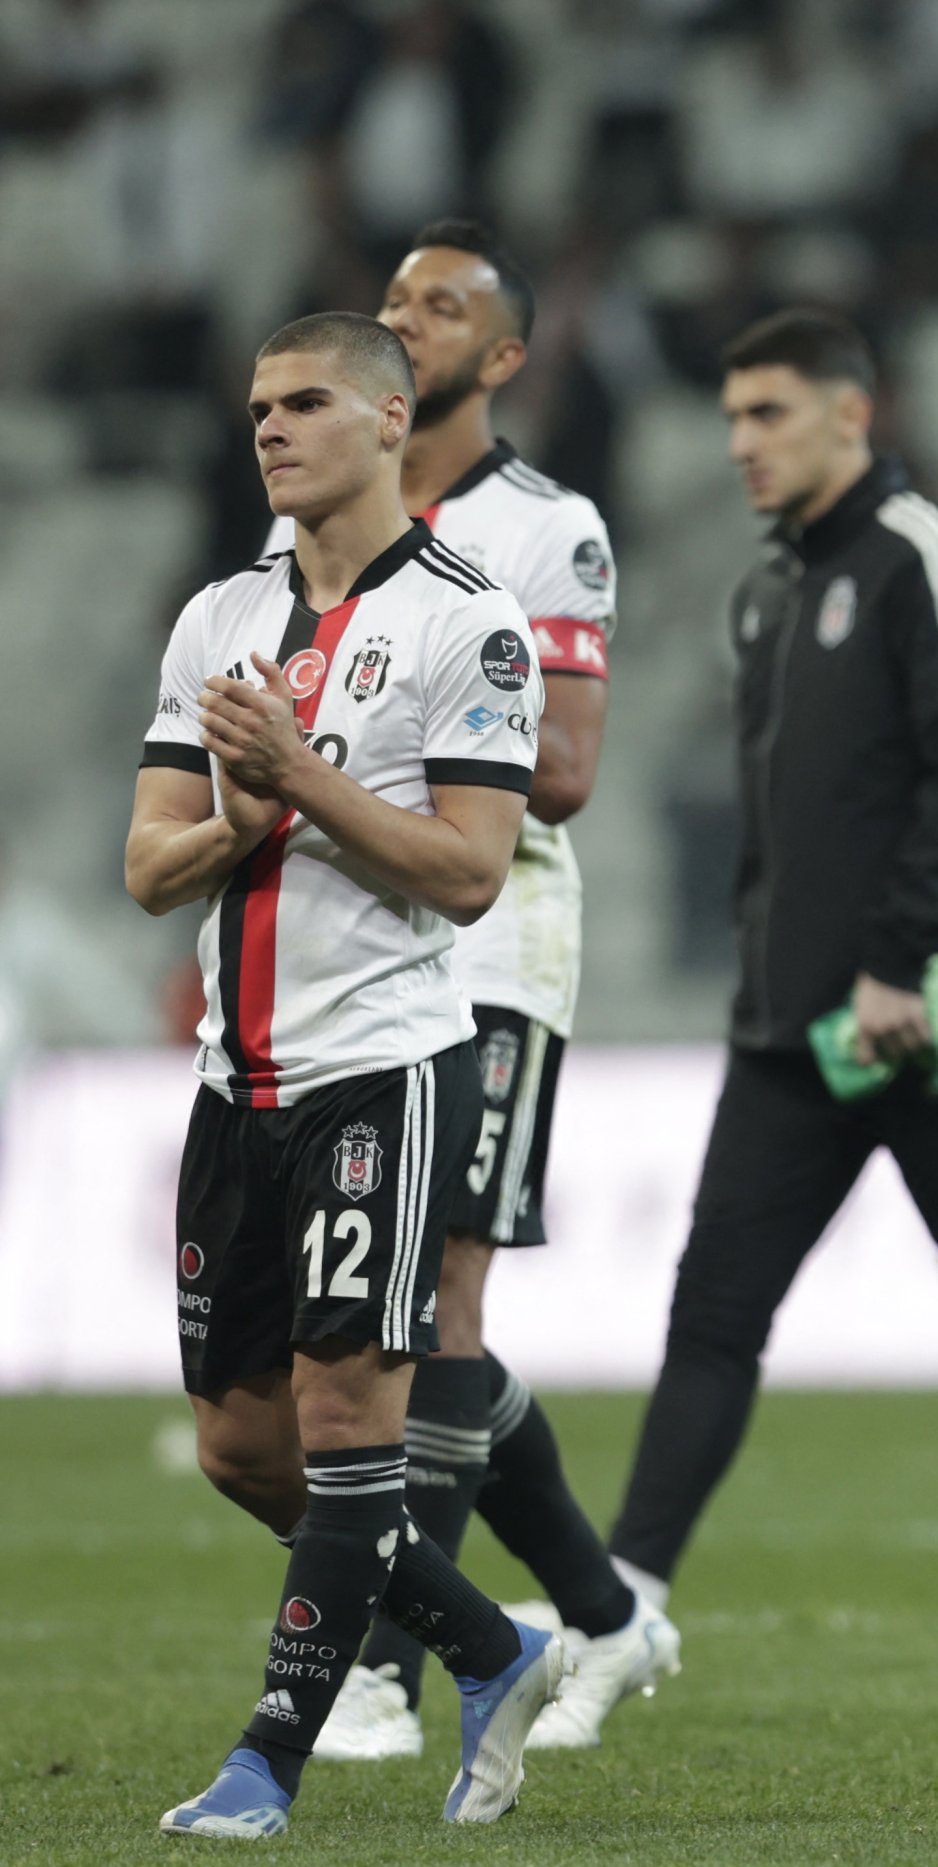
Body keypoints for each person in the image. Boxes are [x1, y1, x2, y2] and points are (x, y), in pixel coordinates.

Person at [604, 309, 938, 1690]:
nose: (741, 444)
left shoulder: (926, 556)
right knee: (712, 1314)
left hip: (921, 1020)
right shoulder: (768, 590)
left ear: (853, 413)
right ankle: (617, 1611)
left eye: (768, 414)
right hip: (788, 1032)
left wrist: (903, 958)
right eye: (731, 419)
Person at [130, 311, 565, 1835]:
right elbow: (146, 867)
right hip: (230, 1083)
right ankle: (492, 1643)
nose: (271, 427)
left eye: (305, 401)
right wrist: (246, 822)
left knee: (341, 1424)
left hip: (384, 1071)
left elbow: (468, 873)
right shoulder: (215, 620)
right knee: (241, 1449)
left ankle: (267, 1761)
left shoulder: (471, 622)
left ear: (391, 420)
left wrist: (299, 777)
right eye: (259, 405)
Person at [265, 220, 675, 1763]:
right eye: (392, 302)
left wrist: (342, 762)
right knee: (367, 1330)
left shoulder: (542, 527)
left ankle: (385, 1668)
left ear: (503, 356)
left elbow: (559, 771)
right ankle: (605, 1610)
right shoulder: (318, 530)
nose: (407, 324)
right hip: (346, 956)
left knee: (432, 1314)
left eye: (442, 309)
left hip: (491, 948)